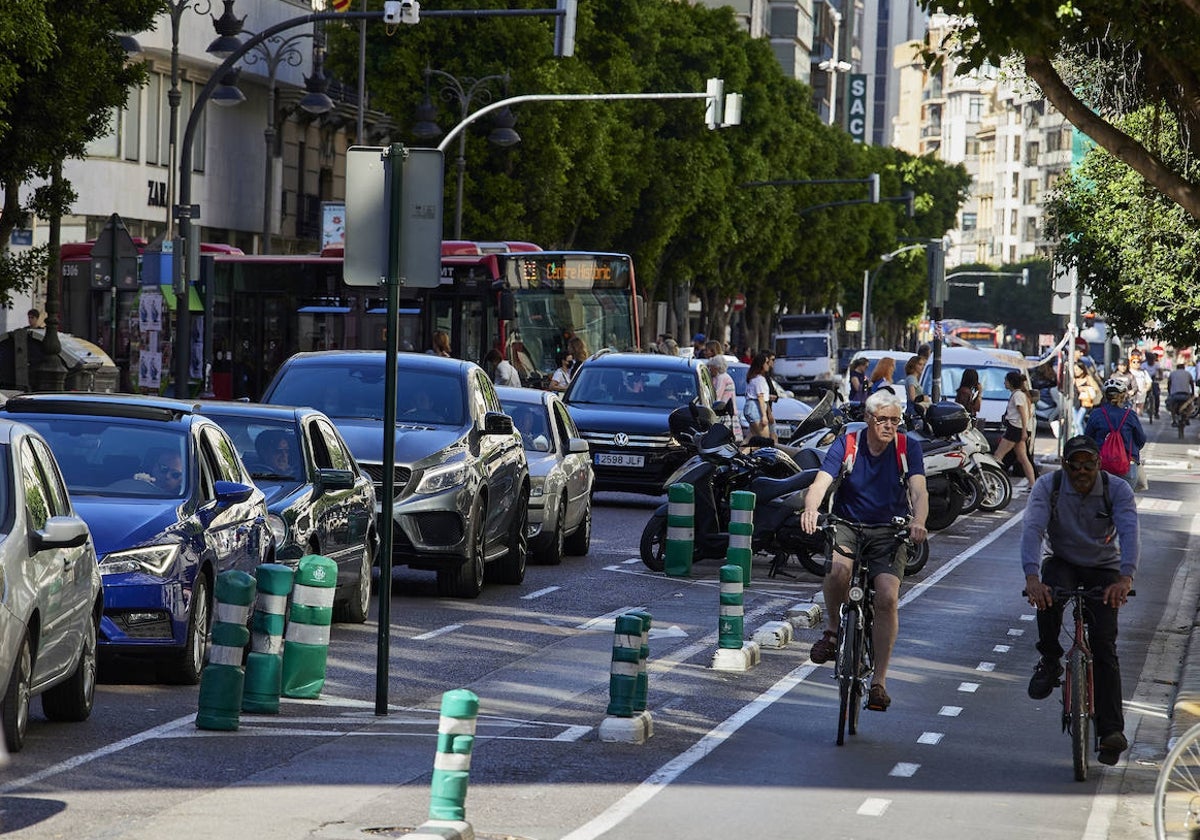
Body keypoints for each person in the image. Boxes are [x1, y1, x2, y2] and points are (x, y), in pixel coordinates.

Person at [799, 388, 929, 711]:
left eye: (895, 420)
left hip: (890, 529)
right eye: (883, 419)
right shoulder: (848, 443)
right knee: (839, 571)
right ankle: (832, 631)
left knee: (886, 596)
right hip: (848, 523)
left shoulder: (907, 447)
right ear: (868, 419)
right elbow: (820, 483)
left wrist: (920, 521)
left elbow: (919, 491)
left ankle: (879, 683)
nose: (889, 426)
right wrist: (811, 509)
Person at [1022, 435, 1139, 767]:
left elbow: (1130, 532)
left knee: (1104, 645)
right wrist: (1031, 578)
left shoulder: (1117, 490)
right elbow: (1032, 529)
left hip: (1105, 566)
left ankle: (1111, 731)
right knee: (1049, 593)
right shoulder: (1049, 487)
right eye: (1076, 465)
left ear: (1099, 465)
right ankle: (1049, 659)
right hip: (1062, 560)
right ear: (1065, 465)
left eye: (1090, 464)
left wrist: (1125, 578)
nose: (1083, 472)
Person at [1085, 378, 1146, 489]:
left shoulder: (1096, 414)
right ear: (1123, 396)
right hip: (1127, 465)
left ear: (1105, 395)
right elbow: (1141, 440)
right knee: (1125, 501)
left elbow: (1088, 440)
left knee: (1098, 501)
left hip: (1101, 466)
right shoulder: (1130, 415)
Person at [994, 369, 1037, 491]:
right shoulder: (1022, 395)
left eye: (1006, 381)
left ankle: (993, 480)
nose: (1004, 383)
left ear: (1011, 382)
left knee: (998, 455)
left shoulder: (1017, 395)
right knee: (1023, 458)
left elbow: (1023, 413)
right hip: (1018, 428)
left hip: (1015, 428)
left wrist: (1023, 431)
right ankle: (1033, 484)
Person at [708, 354, 741, 441]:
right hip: (727, 413)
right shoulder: (722, 377)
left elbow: (717, 395)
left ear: (717, 367)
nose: (709, 369)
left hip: (725, 415)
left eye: (711, 367)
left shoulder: (722, 378)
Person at [743, 352, 773, 442]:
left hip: (750, 407)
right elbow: (760, 397)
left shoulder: (753, 378)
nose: (769, 365)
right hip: (756, 408)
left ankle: (739, 453)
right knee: (764, 439)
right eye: (766, 363)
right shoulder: (760, 379)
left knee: (752, 437)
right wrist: (764, 416)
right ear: (761, 365)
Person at [1167, 360, 1196, 425]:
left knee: (1172, 406)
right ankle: (1187, 418)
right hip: (1185, 395)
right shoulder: (1188, 373)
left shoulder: (1172, 373)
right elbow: (1191, 384)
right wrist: (1192, 393)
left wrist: (1169, 393)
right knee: (1190, 407)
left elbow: (1169, 384)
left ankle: (1174, 420)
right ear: (1184, 368)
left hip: (1175, 395)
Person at [1129, 353, 1152, 421]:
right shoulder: (1129, 372)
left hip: (1141, 395)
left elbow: (1149, 382)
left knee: (1138, 413)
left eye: (1138, 362)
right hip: (1131, 395)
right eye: (1134, 362)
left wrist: (1146, 389)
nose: (1136, 363)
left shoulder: (1143, 372)